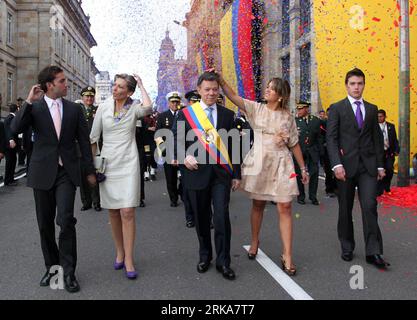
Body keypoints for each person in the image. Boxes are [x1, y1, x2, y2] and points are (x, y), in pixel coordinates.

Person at [11, 66, 96, 292]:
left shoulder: (73, 109)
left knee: (66, 220)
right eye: (62, 81)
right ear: (50, 85)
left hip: (66, 172)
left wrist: (89, 171)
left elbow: (84, 142)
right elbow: (15, 128)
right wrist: (28, 102)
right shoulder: (35, 108)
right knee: (45, 224)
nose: (66, 84)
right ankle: (52, 268)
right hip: (42, 172)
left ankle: (69, 273)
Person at [217, 71, 308, 276]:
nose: (266, 90)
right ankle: (255, 240)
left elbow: (294, 144)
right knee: (258, 203)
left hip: (282, 163)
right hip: (260, 160)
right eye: (266, 87)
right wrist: (222, 80)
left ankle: (288, 255)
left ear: (280, 95)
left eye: (271, 88)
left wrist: (303, 168)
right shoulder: (256, 108)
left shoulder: (288, 117)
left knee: (285, 206)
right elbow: (234, 97)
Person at [173, 72, 241, 280]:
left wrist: (236, 174)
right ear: (199, 90)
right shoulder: (186, 114)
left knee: (221, 218)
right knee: (202, 219)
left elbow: (234, 146)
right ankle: (205, 256)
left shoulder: (228, 115)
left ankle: (224, 261)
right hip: (195, 174)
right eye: (207, 89)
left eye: (214, 89)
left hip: (221, 176)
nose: (211, 93)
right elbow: (175, 140)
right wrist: (184, 156)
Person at [90, 73, 152, 280]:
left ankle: (129, 259)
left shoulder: (134, 107)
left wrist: (142, 84)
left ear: (130, 92)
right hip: (108, 163)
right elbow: (93, 137)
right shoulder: (104, 106)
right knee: (114, 211)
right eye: (114, 86)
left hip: (128, 162)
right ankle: (119, 251)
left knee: (127, 211)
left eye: (120, 87)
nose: (115, 89)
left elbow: (148, 108)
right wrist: (94, 165)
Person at [326, 68, 389, 269]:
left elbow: (377, 140)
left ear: (364, 85)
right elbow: (331, 138)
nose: (356, 87)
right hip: (344, 167)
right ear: (347, 85)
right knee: (345, 208)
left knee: (369, 206)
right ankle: (347, 246)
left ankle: (374, 251)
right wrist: (336, 164)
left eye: (360, 83)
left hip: (368, 167)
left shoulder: (371, 109)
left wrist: (380, 165)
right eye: (353, 83)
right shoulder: (337, 108)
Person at [155, 92, 183, 207]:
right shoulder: (162, 116)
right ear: (168, 103)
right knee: (170, 179)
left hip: (182, 151)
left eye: (177, 101)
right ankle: (173, 198)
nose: (175, 104)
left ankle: (182, 193)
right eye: (173, 102)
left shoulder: (184, 115)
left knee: (185, 178)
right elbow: (158, 135)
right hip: (168, 151)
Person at [294, 101, 323, 206]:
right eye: (298, 109)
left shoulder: (315, 121)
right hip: (299, 151)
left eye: (301, 109)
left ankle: (313, 196)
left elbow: (319, 137)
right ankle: (301, 196)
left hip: (313, 151)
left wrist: (321, 152)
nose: (299, 111)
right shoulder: (294, 121)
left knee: (314, 173)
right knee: (298, 174)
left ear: (307, 109)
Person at [78, 86, 101, 212]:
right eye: (87, 96)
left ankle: (96, 202)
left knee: (94, 174)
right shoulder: (78, 110)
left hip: (94, 147)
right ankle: (86, 202)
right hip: (80, 148)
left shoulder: (98, 110)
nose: (89, 98)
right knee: (83, 177)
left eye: (91, 96)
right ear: (82, 97)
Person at [377, 109, 399, 196]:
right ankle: (380, 189)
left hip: (389, 153)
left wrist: (397, 150)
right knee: (380, 170)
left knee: (389, 170)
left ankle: (387, 187)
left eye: (381, 116)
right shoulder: (374, 127)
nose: (379, 118)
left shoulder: (391, 126)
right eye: (377, 116)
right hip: (379, 154)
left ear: (385, 116)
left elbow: (395, 140)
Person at [318, 110, 337, 197]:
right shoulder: (323, 123)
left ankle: (337, 187)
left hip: (337, 149)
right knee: (329, 171)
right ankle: (329, 189)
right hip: (327, 150)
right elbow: (320, 136)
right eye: (328, 114)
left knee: (337, 170)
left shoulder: (339, 123)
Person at [4, 104, 19, 186]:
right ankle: (8, 180)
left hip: (11, 144)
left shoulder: (9, 118)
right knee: (10, 162)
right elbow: (8, 130)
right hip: (10, 145)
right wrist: (11, 139)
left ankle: (11, 178)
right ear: (16, 110)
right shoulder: (11, 118)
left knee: (12, 161)